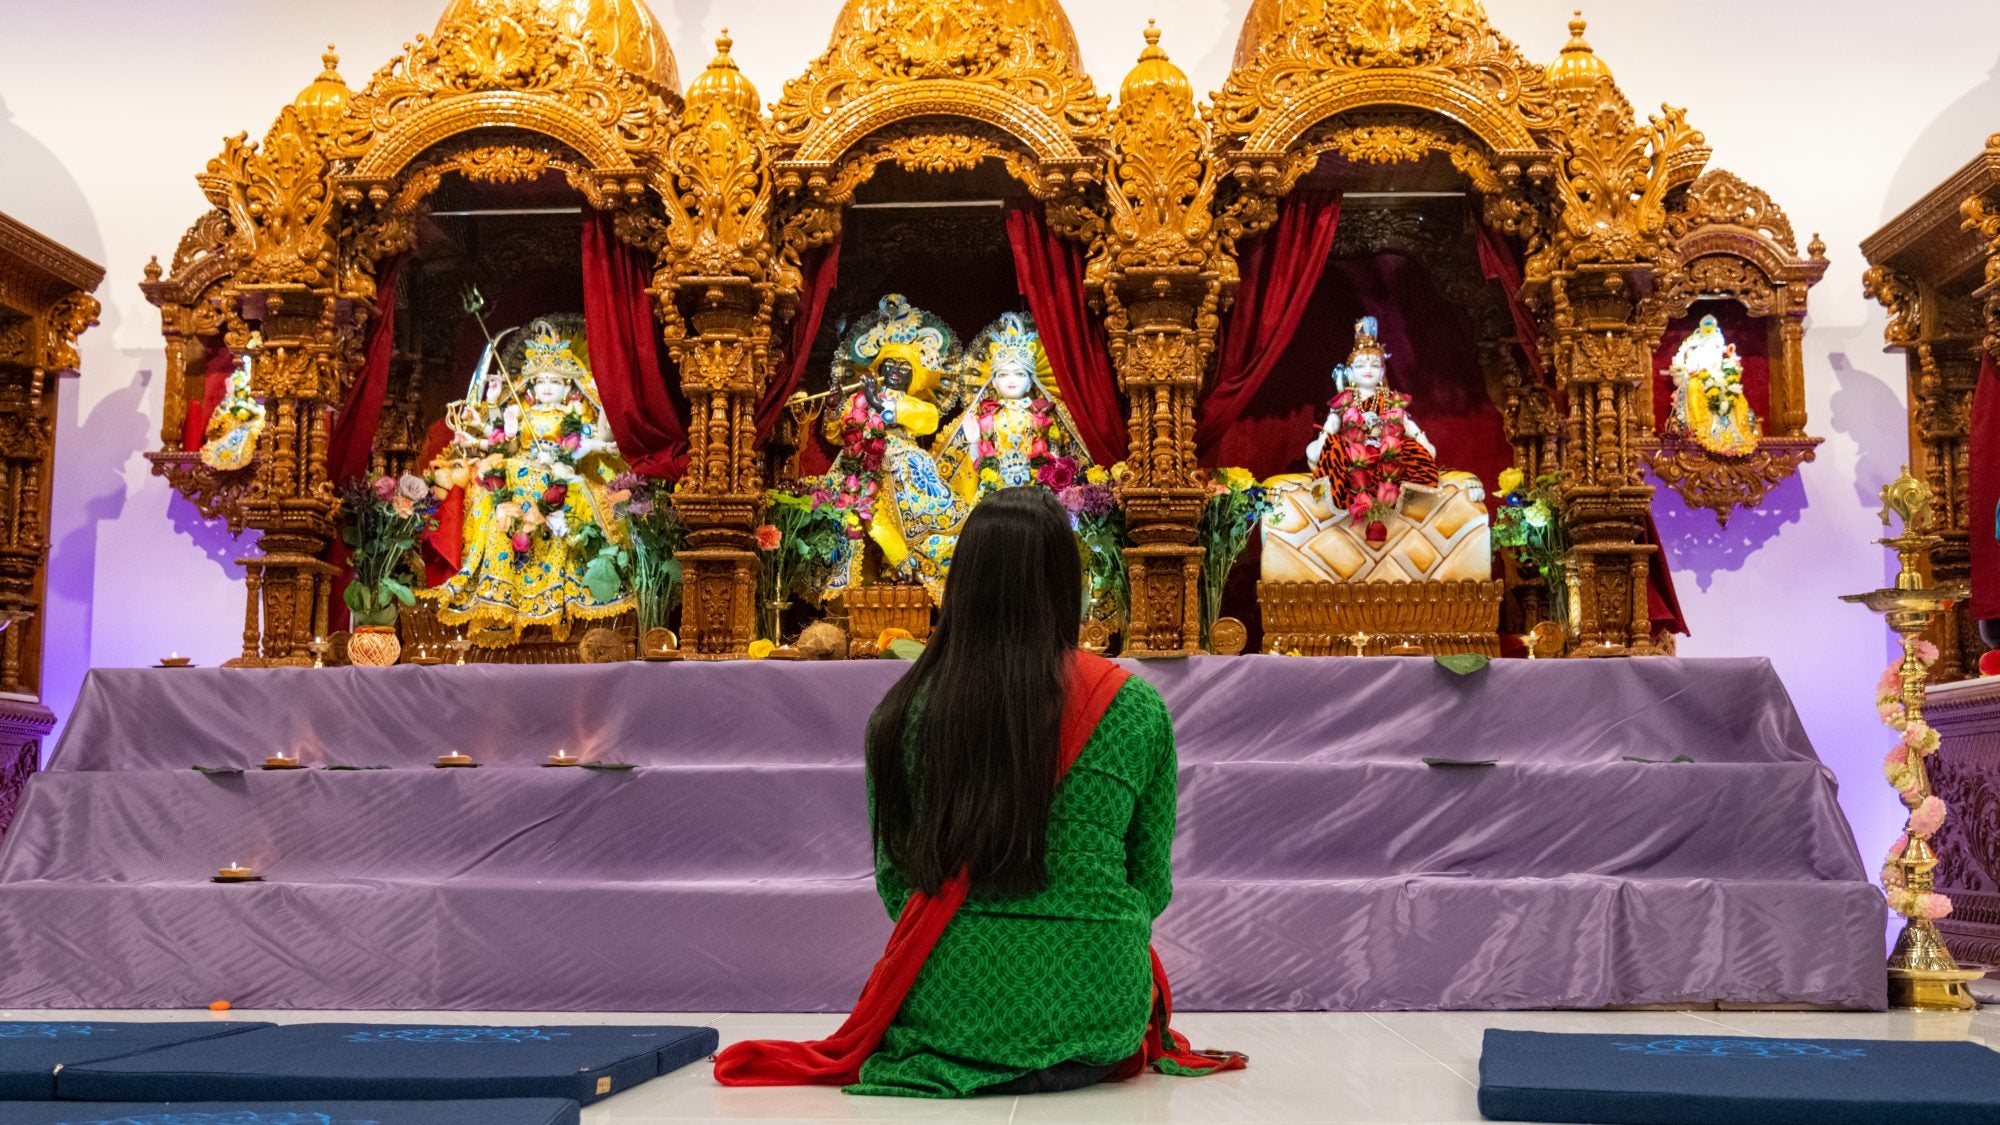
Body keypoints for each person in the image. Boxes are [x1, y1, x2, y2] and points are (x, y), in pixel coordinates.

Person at [714, 487, 1241, 1097]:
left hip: (950, 1019)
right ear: (1068, 585)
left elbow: (897, 884)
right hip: (1100, 1014)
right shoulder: (1135, 707)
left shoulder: (905, 709)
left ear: (961, 582)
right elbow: (1150, 885)